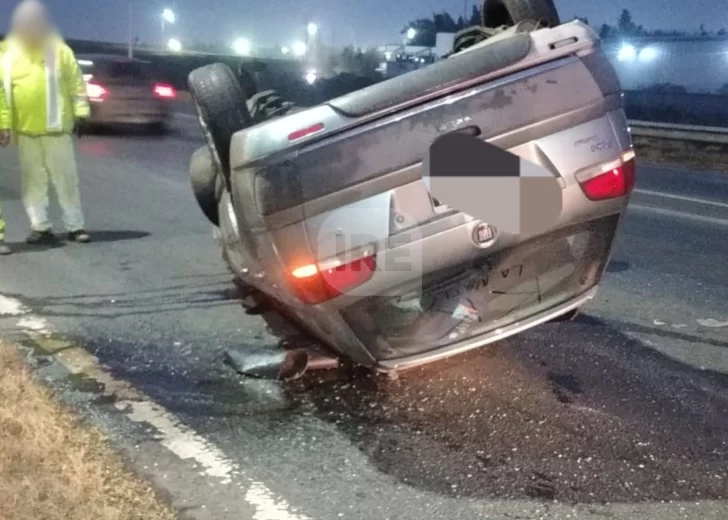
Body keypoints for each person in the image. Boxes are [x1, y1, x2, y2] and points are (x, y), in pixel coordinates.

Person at [0, 0, 91, 245]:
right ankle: (39, 226)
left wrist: (81, 112)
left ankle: (75, 225)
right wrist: (4, 124)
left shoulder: (59, 50)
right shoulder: (5, 53)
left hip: (56, 129)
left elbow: (75, 83)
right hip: (26, 130)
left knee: (66, 179)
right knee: (32, 182)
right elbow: (1, 92)